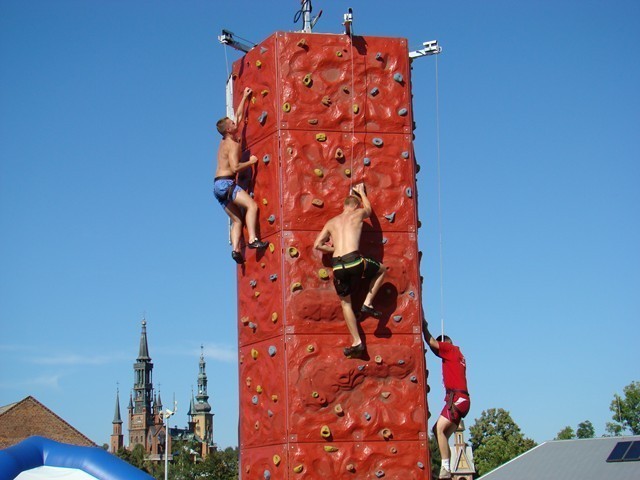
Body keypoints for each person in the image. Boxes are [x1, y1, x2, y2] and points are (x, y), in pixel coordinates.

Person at [313, 183, 387, 357]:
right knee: (382, 270)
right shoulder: (358, 213)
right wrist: (362, 193)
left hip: (338, 265)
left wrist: (335, 247)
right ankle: (368, 303)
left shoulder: (331, 222)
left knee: (346, 303)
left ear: (344, 205)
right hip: (354, 260)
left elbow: (317, 245)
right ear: (355, 205)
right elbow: (369, 210)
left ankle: (357, 341)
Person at [214, 86, 268, 263]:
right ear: (229, 130)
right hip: (227, 183)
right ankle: (253, 239)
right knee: (252, 206)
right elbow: (236, 167)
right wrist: (251, 162)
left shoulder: (225, 140)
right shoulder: (233, 145)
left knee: (237, 220)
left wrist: (244, 97)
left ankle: (236, 250)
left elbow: (238, 117)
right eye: (231, 123)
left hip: (217, 186)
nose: (234, 123)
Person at [423, 318, 471, 479]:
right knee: (439, 432)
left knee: (439, 430)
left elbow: (431, 342)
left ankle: (445, 468)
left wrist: (424, 326)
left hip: (457, 398)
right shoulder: (457, 355)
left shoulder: (450, 349)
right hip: (462, 399)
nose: (439, 354)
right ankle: (447, 468)